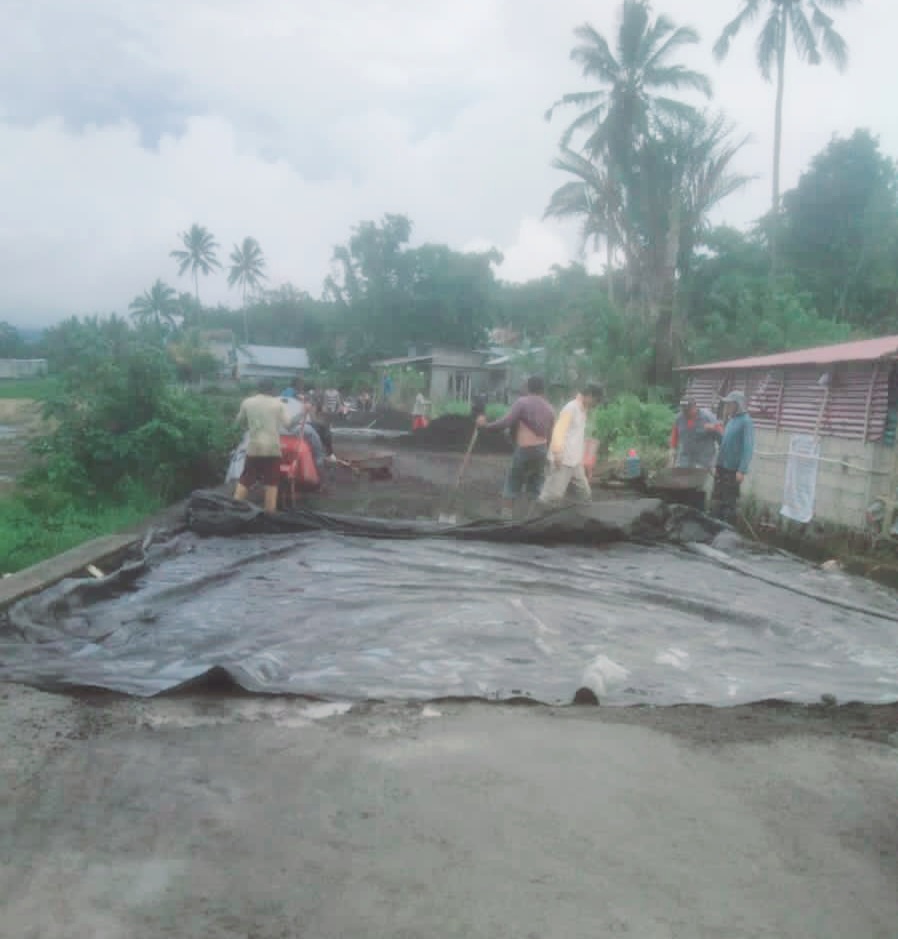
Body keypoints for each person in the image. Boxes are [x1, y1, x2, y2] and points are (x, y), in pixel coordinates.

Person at [476, 375, 555, 518]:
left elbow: (506, 422)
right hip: (542, 450)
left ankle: (506, 519)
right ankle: (532, 519)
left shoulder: (522, 402)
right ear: (542, 389)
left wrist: (486, 426)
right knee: (536, 484)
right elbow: (550, 435)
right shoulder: (550, 408)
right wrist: (546, 454)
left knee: (512, 482)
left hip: (525, 449)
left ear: (528, 387)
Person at [538, 381, 604, 506]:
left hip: (575, 462)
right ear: (589, 395)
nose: (596, 404)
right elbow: (559, 431)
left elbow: (575, 435)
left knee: (584, 494)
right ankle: (538, 517)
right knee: (552, 496)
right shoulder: (571, 408)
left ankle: (582, 519)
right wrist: (557, 453)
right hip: (562, 460)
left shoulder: (583, 410)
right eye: (596, 400)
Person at [234, 378, 291, 513]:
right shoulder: (278, 404)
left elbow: (237, 422)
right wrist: (304, 412)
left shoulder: (247, 402)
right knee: (271, 482)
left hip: (254, 448)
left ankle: (234, 506)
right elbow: (289, 425)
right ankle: (269, 513)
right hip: (272, 450)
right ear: (272, 390)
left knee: (246, 478)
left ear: (258, 388)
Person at [711, 390, 755, 524]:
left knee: (729, 504)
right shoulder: (731, 420)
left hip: (733, 470)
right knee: (717, 500)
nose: (727, 407)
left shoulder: (746, 421)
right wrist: (715, 463)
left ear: (738, 405)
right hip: (721, 467)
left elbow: (748, 447)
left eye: (729, 404)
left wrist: (741, 470)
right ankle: (714, 527)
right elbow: (724, 443)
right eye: (726, 405)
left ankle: (727, 530)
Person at [670, 397, 719, 511]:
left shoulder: (708, 417)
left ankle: (698, 513)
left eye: (687, 409)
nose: (685, 412)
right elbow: (674, 436)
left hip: (703, 461)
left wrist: (714, 463)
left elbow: (722, 436)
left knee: (698, 490)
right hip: (685, 459)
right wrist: (672, 452)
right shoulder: (679, 418)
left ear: (695, 407)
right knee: (682, 487)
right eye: (683, 409)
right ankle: (683, 511)